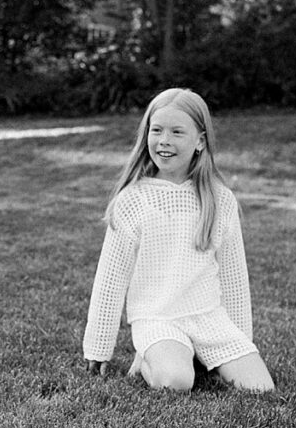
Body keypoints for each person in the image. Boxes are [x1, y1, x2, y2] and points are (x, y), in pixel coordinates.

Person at [82, 88, 275, 392]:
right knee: (177, 382)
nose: (164, 141)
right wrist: (97, 348)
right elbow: (110, 279)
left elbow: (234, 278)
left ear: (200, 141)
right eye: (156, 130)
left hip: (209, 317)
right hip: (158, 319)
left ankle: (197, 355)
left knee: (259, 388)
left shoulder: (219, 199)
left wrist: (241, 342)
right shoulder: (133, 199)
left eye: (177, 132)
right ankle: (147, 359)